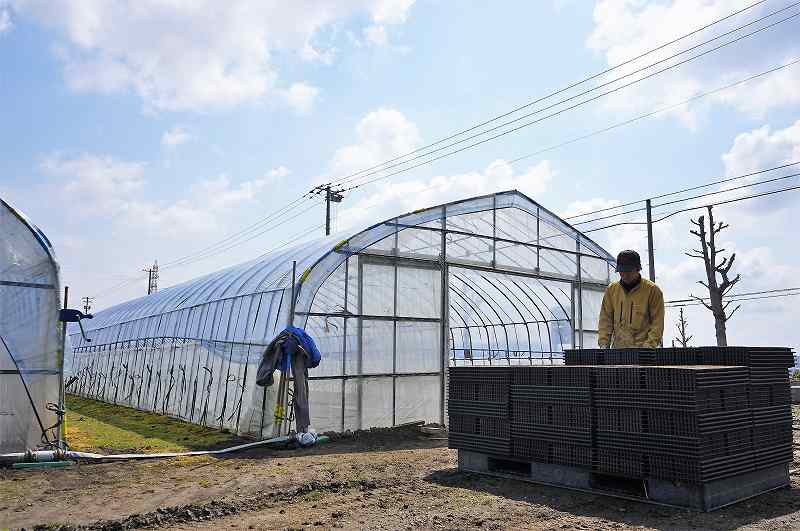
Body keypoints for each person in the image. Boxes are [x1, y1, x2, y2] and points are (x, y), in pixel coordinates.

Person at [597, 250, 664, 349]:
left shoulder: (652, 291)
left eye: (629, 271)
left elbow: (657, 324)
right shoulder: (612, 291)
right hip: (618, 352)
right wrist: (603, 344)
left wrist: (649, 347)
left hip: (643, 352)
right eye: (622, 271)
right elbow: (605, 320)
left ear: (638, 269)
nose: (625, 275)